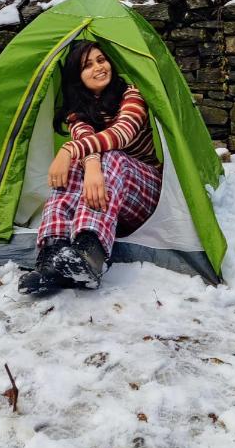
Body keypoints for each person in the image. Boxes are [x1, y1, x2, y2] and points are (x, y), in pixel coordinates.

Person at [18, 41, 162, 293]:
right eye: (87, 65)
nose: (98, 68)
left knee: (111, 156)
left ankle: (90, 254)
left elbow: (122, 133)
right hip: (107, 204)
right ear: (77, 77)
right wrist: (91, 163)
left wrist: (69, 149)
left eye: (101, 60)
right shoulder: (77, 112)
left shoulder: (132, 95)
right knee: (77, 166)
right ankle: (53, 252)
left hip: (145, 195)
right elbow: (85, 139)